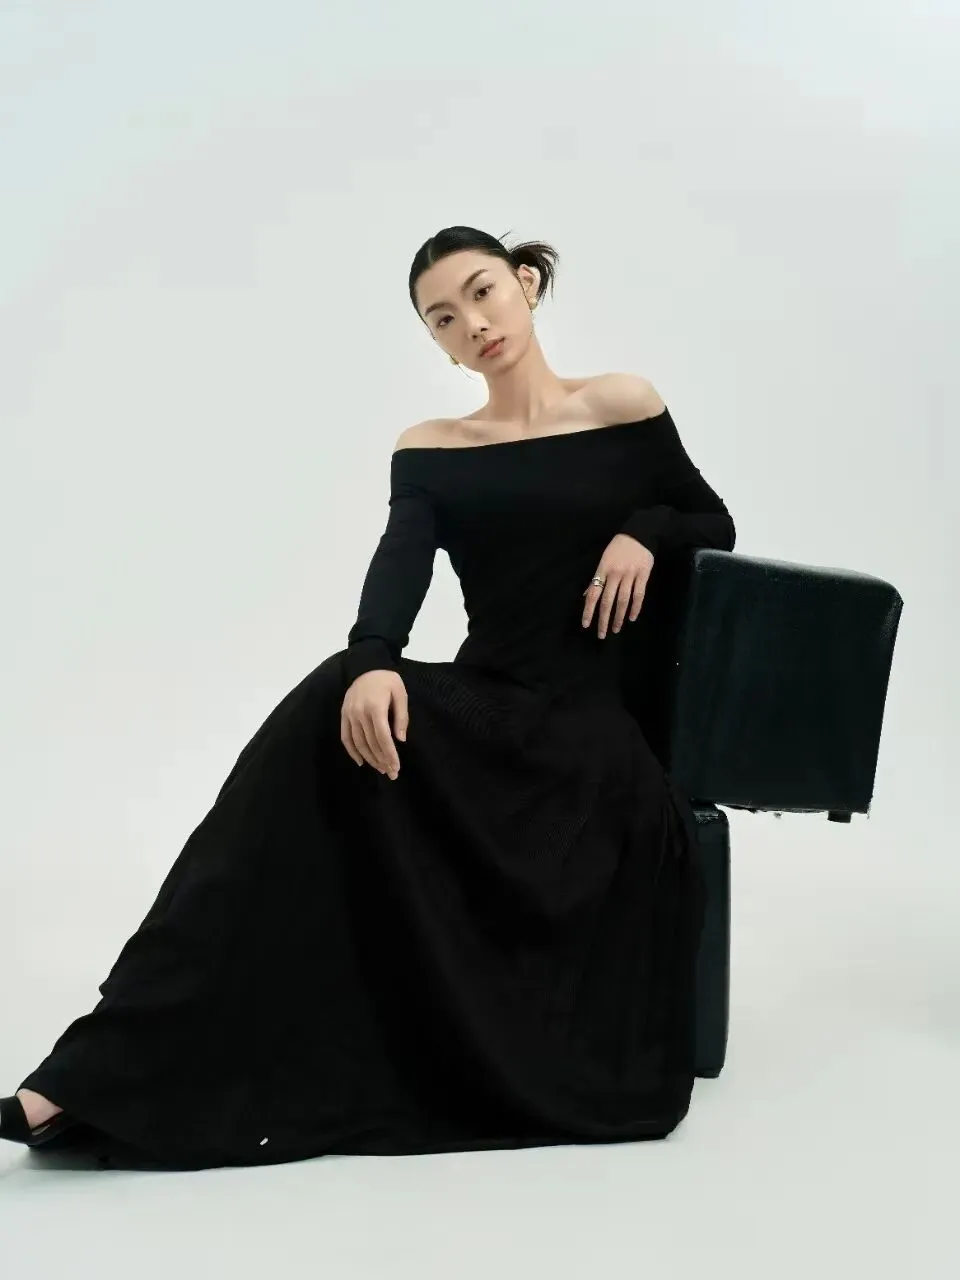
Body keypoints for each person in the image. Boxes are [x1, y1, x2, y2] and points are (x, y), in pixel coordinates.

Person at [1, 225, 736, 1169]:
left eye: (482, 292)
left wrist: (645, 529)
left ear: (525, 283)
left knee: (340, 712)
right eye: (444, 318)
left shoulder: (622, 403)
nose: (472, 323)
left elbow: (711, 516)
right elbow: (401, 563)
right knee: (331, 709)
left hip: (591, 736)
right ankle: (100, 1064)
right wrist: (374, 657)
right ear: (438, 344)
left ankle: (110, 1066)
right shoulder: (432, 449)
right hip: (488, 705)